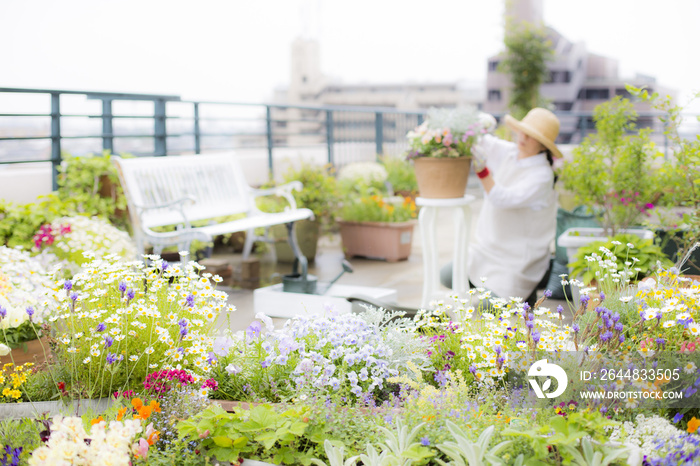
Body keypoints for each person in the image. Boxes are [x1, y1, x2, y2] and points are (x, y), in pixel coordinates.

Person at [441, 107, 562, 305]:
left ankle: (523, 291)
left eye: (532, 136)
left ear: (543, 146)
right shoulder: (510, 152)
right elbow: (479, 140)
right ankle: (494, 288)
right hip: (488, 248)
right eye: (523, 131)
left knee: (484, 308)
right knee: (446, 276)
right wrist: (482, 122)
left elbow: (501, 199)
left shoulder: (542, 175)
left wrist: (482, 171)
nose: (523, 137)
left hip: (517, 260)